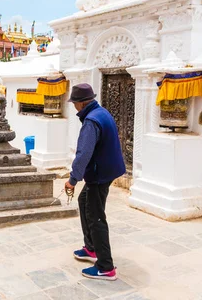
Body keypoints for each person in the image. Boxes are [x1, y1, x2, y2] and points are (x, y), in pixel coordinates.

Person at [65, 83, 126, 281]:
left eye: (74, 103)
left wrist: (73, 179)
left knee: (96, 216)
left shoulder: (91, 121)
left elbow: (83, 154)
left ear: (81, 103)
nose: (74, 106)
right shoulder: (101, 112)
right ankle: (91, 248)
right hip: (106, 170)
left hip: (99, 174)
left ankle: (105, 266)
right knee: (85, 202)